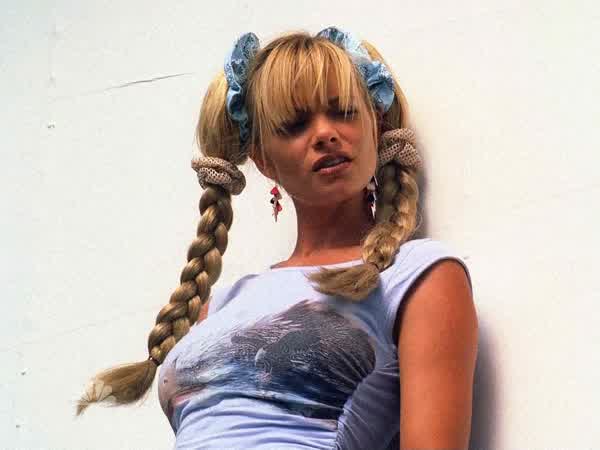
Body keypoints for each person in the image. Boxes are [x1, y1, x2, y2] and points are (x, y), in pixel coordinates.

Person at [75, 26, 478, 449]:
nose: (325, 133)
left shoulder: (417, 276)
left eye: (343, 112)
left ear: (375, 127)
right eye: (295, 124)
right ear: (264, 160)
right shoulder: (221, 305)